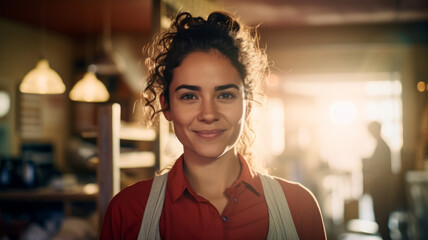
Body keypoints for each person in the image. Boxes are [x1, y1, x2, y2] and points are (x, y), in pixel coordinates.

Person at [100, 11, 326, 240]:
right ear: (166, 106)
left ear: (247, 105)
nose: (208, 114)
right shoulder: (127, 212)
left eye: (225, 95)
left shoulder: (299, 207)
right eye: (189, 96)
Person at [363, 121, 394, 240]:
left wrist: (371, 176)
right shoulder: (381, 146)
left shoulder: (383, 147)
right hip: (380, 190)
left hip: (382, 190)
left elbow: (382, 170)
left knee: (382, 220)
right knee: (381, 221)